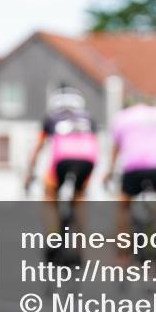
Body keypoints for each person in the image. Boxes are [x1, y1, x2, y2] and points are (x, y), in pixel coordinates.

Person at [104, 99, 156, 263]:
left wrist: (109, 171)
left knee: (123, 205)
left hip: (135, 164)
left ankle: (123, 253)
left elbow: (116, 147)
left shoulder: (122, 117)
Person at [24, 87, 99, 221]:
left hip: (62, 158)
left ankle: (53, 231)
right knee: (80, 195)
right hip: (88, 158)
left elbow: (38, 148)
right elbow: (96, 144)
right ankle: (81, 233)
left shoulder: (51, 118)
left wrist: (30, 172)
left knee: (50, 194)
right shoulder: (88, 119)